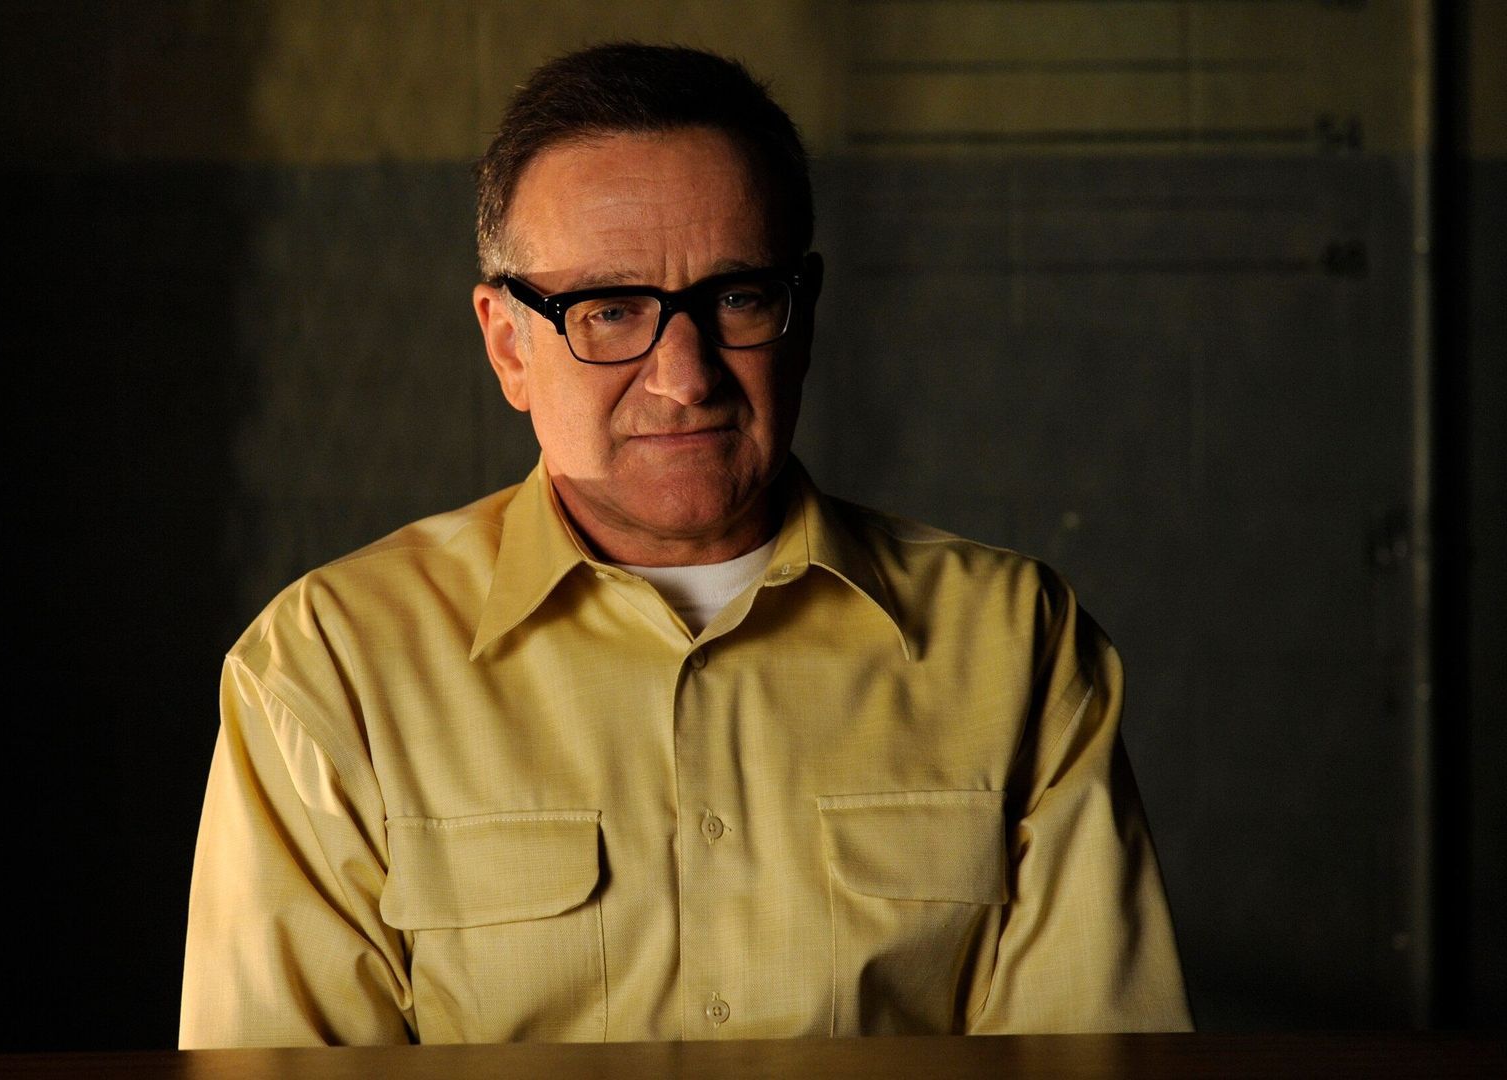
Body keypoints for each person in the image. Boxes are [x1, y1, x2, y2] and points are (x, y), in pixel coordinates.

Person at [179, 43, 1192, 1047]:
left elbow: (1093, 1060)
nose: (684, 376)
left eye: (737, 298)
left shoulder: (1016, 645)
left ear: (803, 317)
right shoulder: (330, 667)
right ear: (507, 344)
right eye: (610, 310)